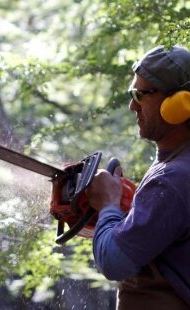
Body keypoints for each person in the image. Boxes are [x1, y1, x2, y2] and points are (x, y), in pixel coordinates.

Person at [86, 45, 190, 309]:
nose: (132, 105)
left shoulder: (173, 179)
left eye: (141, 94)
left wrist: (108, 203)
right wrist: (122, 214)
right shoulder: (176, 161)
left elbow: (113, 262)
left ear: (178, 103)